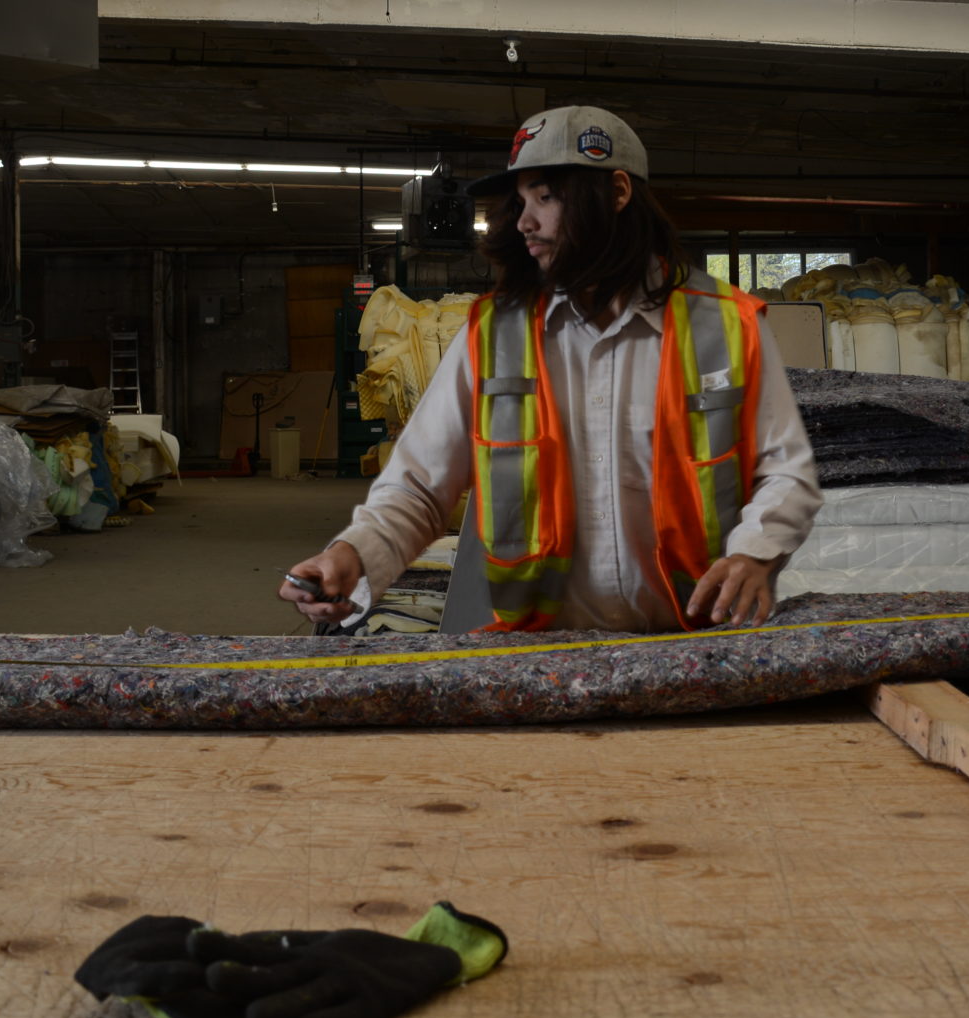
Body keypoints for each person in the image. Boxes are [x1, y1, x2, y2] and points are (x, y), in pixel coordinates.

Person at [281, 105, 821, 633]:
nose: (525, 221)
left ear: (617, 194)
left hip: (689, 642)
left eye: (546, 197)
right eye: (520, 200)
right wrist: (354, 553)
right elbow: (420, 486)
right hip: (540, 651)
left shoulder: (728, 325)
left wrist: (756, 555)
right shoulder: (491, 333)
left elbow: (786, 469)